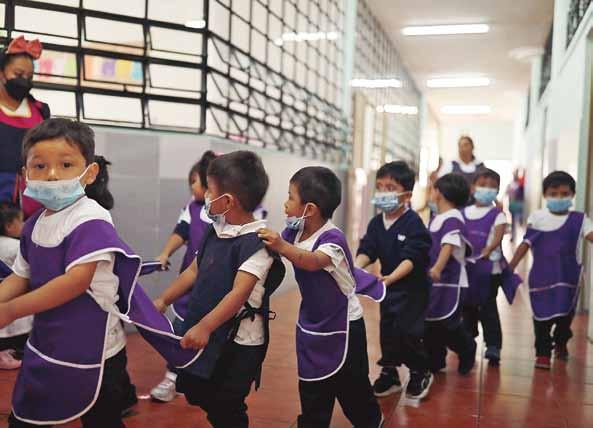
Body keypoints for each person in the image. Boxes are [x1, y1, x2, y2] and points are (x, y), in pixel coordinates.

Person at [0, 118, 200, 427]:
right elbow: (21, 276)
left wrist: (11, 310)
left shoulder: (90, 218)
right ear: (26, 174)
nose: (52, 174)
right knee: (27, 417)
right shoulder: (33, 225)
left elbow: (75, 282)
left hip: (97, 352)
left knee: (102, 419)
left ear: (90, 172)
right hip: (47, 344)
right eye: (40, 166)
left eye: (66, 165)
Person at [154, 151, 285, 428]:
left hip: (239, 344)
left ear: (227, 201)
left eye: (210, 191)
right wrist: (164, 299)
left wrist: (204, 326)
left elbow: (238, 294)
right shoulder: (216, 230)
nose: (205, 196)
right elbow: (193, 271)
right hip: (212, 332)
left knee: (227, 403)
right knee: (199, 391)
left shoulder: (258, 243)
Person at [258, 166, 384, 428]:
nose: (285, 204)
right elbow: (277, 250)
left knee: (353, 389)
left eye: (290, 197)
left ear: (310, 208)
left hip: (345, 325)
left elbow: (312, 261)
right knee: (312, 384)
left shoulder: (332, 240)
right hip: (313, 322)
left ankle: (371, 420)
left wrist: (281, 246)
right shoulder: (295, 231)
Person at [355, 161, 433, 400]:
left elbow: (413, 257)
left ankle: (420, 370)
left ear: (406, 195)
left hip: (412, 290)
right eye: (379, 187)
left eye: (390, 188)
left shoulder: (413, 223)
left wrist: (391, 278)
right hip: (387, 288)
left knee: (408, 332)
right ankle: (390, 373)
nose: (383, 193)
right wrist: (355, 269)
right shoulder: (376, 223)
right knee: (387, 331)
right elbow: (368, 249)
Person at [150, 150, 217, 403]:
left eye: (194, 182)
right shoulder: (192, 208)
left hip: (215, 291)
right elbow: (181, 232)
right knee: (179, 331)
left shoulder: (229, 215)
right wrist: (165, 253)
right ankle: (172, 377)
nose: (192, 187)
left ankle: (203, 379)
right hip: (188, 287)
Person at [509, 171, 593, 370]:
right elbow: (526, 243)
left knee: (564, 317)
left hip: (568, 279)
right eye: (553, 194)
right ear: (545, 195)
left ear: (572, 195)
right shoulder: (537, 218)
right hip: (541, 278)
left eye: (564, 194)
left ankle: (561, 342)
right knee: (541, 318)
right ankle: (543, 353)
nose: (559, 198)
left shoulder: (581, 220)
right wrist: (510, 266)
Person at [462, 169, 521, 366]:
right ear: (473, 188)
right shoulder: (463, 213)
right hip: (468, 269)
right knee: (468, 307)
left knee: (487, 307)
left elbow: (498, 234)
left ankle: (493, 345)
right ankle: (468, 340)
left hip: (490, 270)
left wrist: (489, 248)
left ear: (497, 190)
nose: (486, 189)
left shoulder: (498, 214)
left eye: (492, 186)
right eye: (482, 185)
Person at [425, 173, 477, 375]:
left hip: (451, 282)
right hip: (434, 282)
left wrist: (437, 268)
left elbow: (449, 244)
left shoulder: (453, 218)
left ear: (439, 192)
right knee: (431, 322)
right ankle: (436, 359)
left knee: (448, 324)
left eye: (433, 189)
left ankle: (467, 347)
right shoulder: (437, 218)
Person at [0, 36, 50, 219]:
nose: (24, 81)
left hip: (34, 202)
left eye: (29, 76)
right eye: (18, 74)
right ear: (1, 74)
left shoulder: (41, 110)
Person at [0, 202, 31, 369]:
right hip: (13, 298)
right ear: (9, 226)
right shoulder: (16, 247)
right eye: (21, 220)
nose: (24, 224)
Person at [439, 137, 486, 204]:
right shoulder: (450, 164)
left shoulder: (480, 166)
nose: (463, 148)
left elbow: (487, 185)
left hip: (477, 204)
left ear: (472, 147)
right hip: (455, 204)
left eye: (466, 145)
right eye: (460, 146)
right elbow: (441, 184)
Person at [507, 168, 525, 241]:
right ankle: (513, 236)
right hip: (512, 205)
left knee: (520, 221)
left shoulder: (520, 183)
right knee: (513, 222)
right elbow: (507, 194)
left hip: (519, 205)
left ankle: (521, 236)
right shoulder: (510, 184)